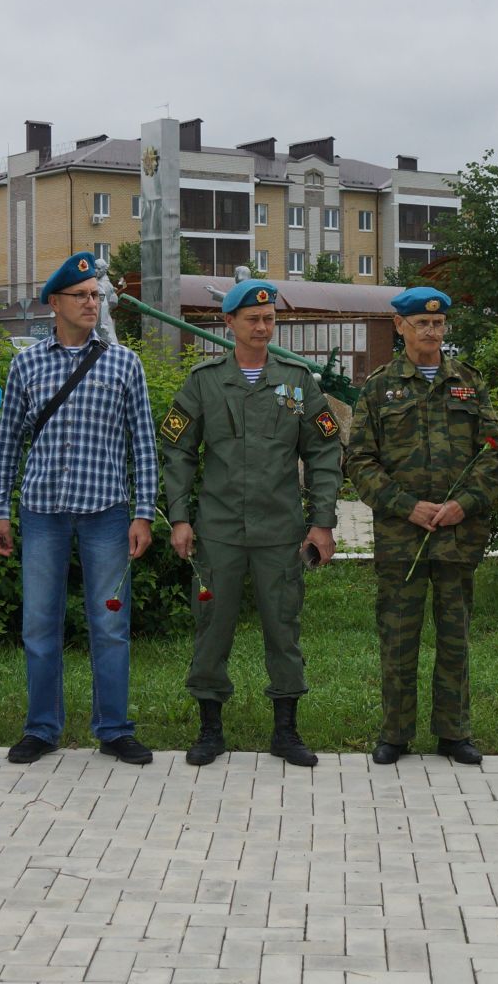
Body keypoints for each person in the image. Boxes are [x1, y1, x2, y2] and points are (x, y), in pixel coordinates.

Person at [159, 278, 343, 768]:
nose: (262, 327)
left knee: (283, 628)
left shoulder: (299, 381)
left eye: (269, 319)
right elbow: (176, 451)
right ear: (230, 323)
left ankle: (286, 731)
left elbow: (325, 452)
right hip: (217, 530)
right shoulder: (204, 381)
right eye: (252, 319)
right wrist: (179, 516)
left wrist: (321, 523)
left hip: (280, 531)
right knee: (211, 627)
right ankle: (209, 729)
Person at [0, 251, 159, 766]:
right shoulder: (27, 363)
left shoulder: (124, 363)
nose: (92, 302)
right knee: (39, 624)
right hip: (42, 511)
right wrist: (0, 509)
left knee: (109, 625)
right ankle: (41, 728)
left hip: (106, 511)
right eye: (81, 295)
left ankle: (114, 729)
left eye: (96, 295)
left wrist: (143, 512)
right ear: (56, 303)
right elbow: (7, 444)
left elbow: (143, 445)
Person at [344, 286, 498, 766]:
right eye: (422, 324)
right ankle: (395, 733)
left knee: (454, 636)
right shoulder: (378, 387)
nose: (431, 332)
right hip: (402, 537)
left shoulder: (469, 383)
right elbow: (360, 459)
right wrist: (406, 505)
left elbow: (494, 451)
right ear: (401, 327)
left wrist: (464, 503)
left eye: (438, 324)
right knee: (398, 636)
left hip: (458, 535)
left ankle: (454, 733)